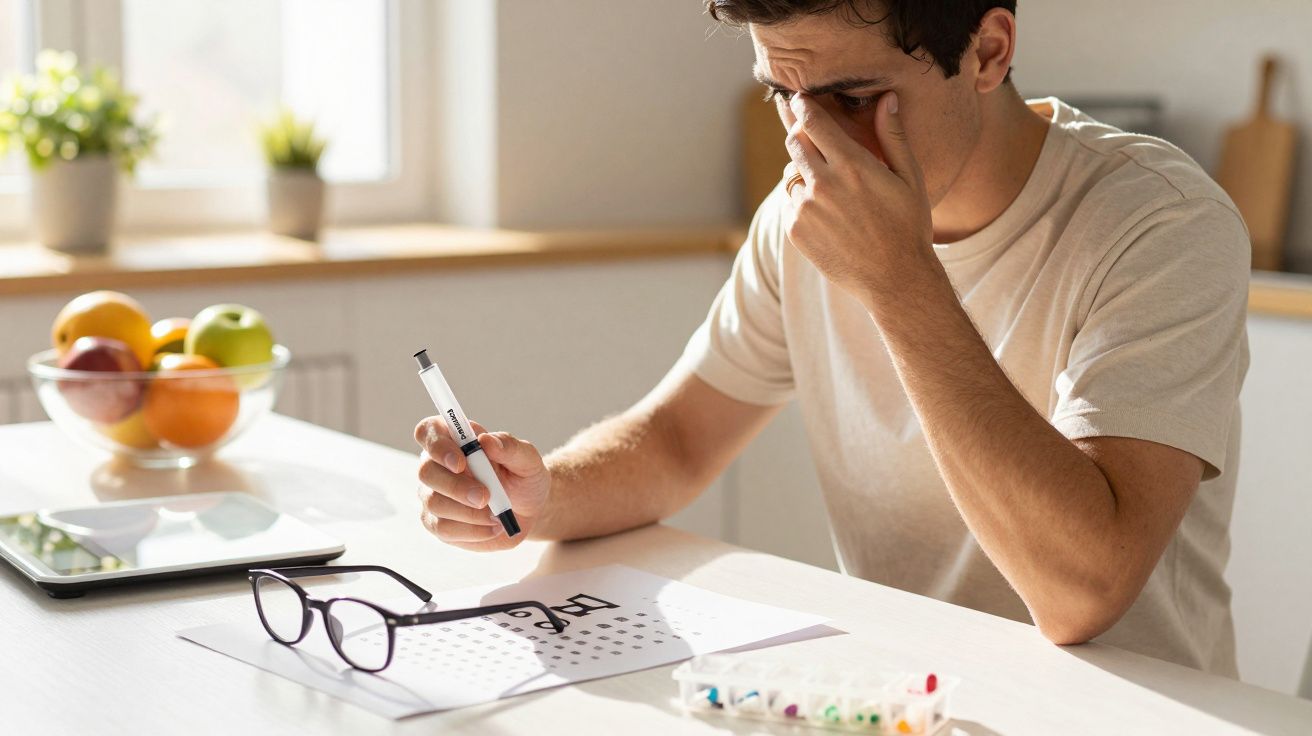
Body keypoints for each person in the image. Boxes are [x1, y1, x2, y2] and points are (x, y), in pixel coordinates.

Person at [415, 0, 1249, 677]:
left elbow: (1083, 593)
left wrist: (899, 276)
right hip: (910, 693)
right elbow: (675, 441)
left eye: (851, 99)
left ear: (989, 51)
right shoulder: (796, 218)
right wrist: (545, 494)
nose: (810, 142)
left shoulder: (1161, 223)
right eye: (783, 94)